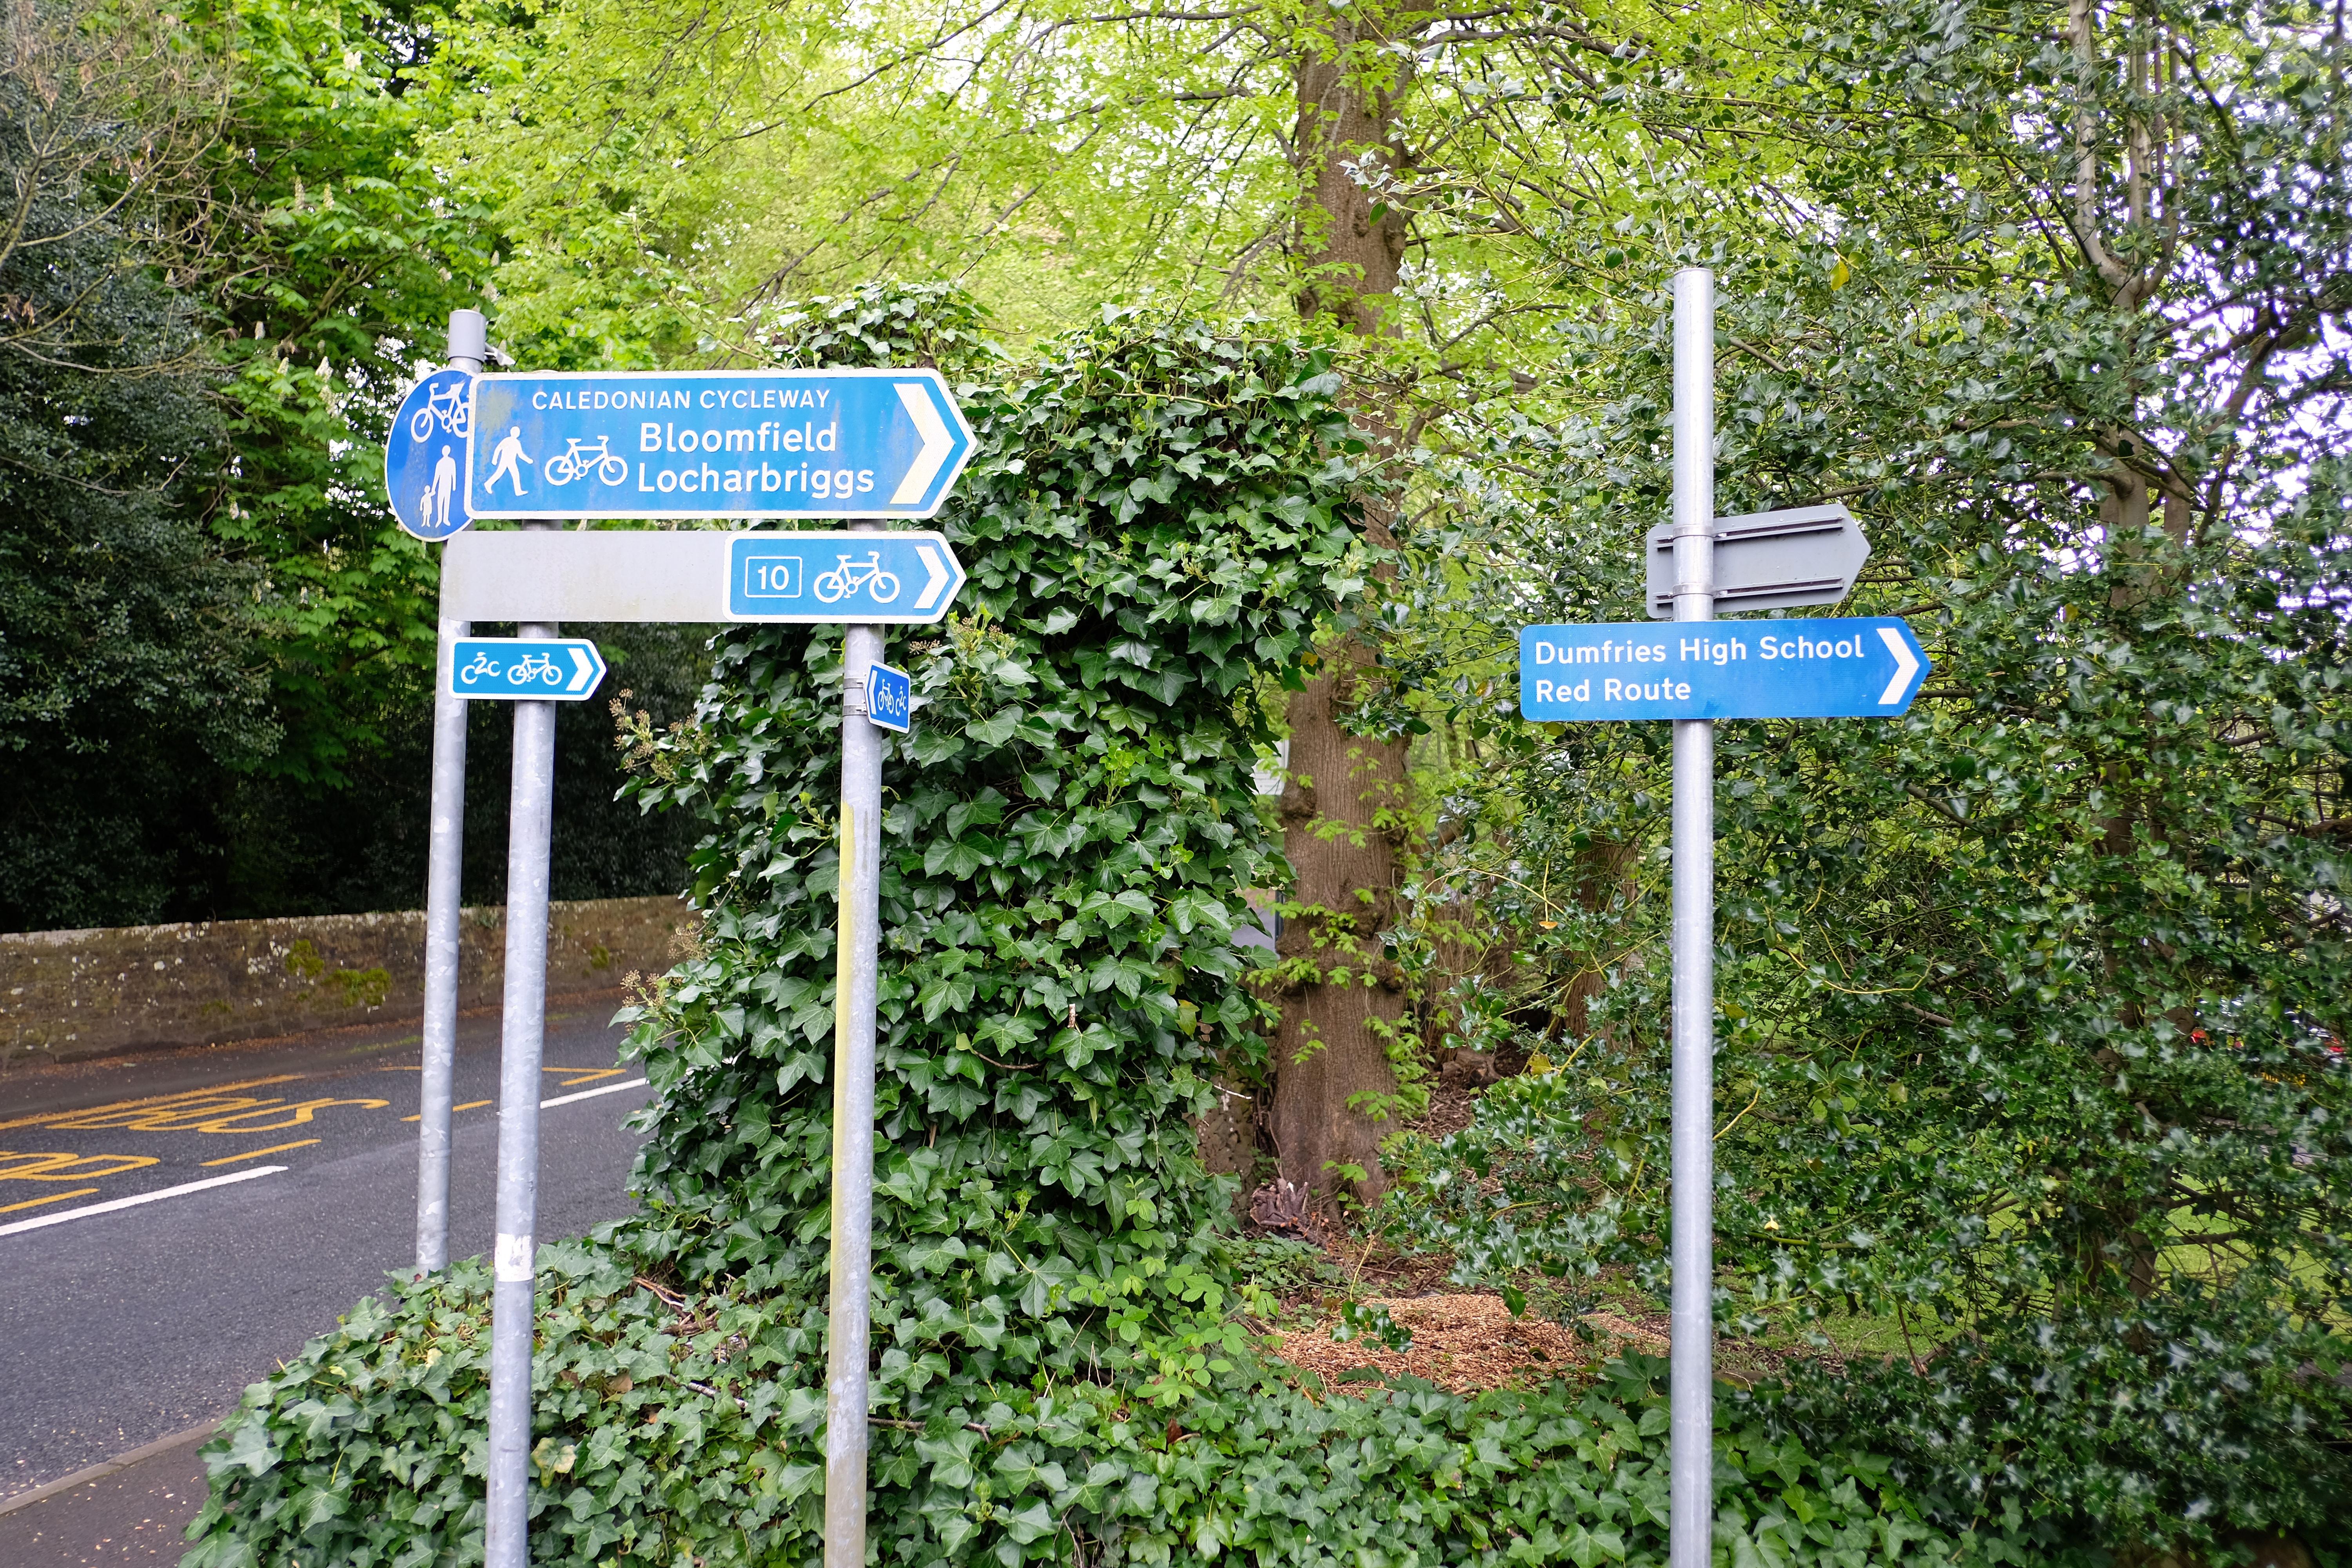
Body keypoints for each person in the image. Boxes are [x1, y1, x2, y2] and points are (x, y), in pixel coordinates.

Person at [486, 425, 532, 496]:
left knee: (514, 474)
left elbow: (520, 455)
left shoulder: (516, 443)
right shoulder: (508, 441)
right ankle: (488, 484)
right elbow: (498, 449)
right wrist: (495, 460)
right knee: (501, 474)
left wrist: (528, 460)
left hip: (511, 462)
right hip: (505, 461)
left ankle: (518, 491)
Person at [430, 443, 459, 531]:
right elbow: (437, 476)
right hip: (442, 483)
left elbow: (454, 474)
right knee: (440, 501)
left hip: (448, 483)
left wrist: (454, 486)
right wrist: (433, 488)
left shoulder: (452, 461)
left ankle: (446, 519)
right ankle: (439, 519)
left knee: (447, 501)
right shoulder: (440, 463)